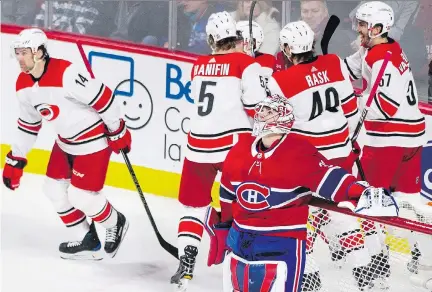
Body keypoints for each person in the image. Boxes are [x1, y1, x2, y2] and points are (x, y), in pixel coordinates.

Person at [204, 94, 398, 292]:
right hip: (240, 242)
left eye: (268, 111)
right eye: (261, 109)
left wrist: (362, 191)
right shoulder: (240, 149)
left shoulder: (298, 152)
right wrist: (223, 229)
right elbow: (227, 195)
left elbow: (331, 178)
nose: (260, 114)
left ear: (283, 118)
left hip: (279, 245)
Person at [267, 20, 388, 290]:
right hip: (343, 155)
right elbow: (350, 110)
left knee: (299, 216)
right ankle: (368, 268)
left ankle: (307, 274)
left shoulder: (280, 81)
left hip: (312, 164)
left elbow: (276, 129)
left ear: (287, 48)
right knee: (342, 211)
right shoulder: (333, 63)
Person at [3, 28, 131, 260]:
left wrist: (117, 129)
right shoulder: (23, 85)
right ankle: (87, 239)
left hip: (93, 144)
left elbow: (104, 98)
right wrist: (16, 157)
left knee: (83, 197)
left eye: (24, 52)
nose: (19, 58)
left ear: (39, 52)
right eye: (17, 53)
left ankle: (115, 222)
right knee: (52, 189)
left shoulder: (67, 73)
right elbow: (29, 125)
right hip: (64, 144)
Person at [170, 11, 267, 291]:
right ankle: (244, 264)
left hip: (197, 146)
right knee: (246, 204)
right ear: (236, 38)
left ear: (212, 39)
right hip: (232, 148)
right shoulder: (245, 64)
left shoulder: (198, 65)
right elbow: (258, 108)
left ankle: (186, 265)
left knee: (193, 206)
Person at [344, 1, 430, 288]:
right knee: (411, 201)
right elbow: (351, 68)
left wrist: (357, 106)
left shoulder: (380, 59)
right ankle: (425, 259)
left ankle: (375, 263)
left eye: (362, 25)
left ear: (377, 28)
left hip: (389, 141)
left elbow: (386, 105)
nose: (357, 29)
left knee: (366, 198)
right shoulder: (386, 46)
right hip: (413, 137)